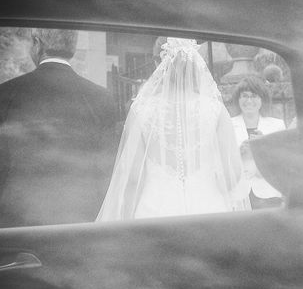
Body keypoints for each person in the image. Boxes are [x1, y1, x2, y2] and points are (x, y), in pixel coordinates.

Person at [96, 38, 250, 220]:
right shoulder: (216, 110)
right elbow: (231, 174)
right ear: (197, 66)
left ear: (159, 64)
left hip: (155, 211)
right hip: (209, 210)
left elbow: (132, 178)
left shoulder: (143, 110)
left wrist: (126, 221)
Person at [0, 28, 117, 228]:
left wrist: (1, 209)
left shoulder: (7, 92)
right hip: (82, 218)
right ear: (71, 48)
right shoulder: (100, 96)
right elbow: (108, 165)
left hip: (20, 218)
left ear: (37, 44)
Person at [231, 75, 286, 209]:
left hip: (268, 193)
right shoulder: (229, 124)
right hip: (238, 195)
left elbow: (283, 163)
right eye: (244, 96)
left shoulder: (277, 125)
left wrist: (264, 147)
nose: (249, 100)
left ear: (262, 99)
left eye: (254, 96)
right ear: (238, 100)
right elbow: (220, 161)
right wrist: (239, 152)